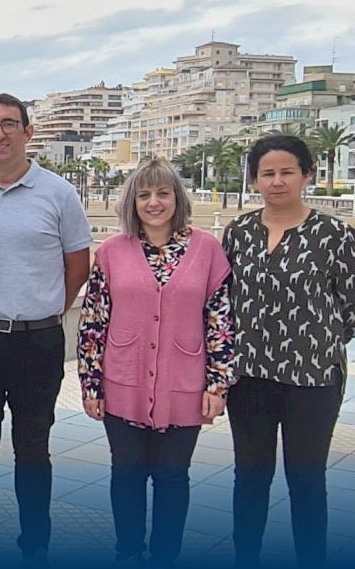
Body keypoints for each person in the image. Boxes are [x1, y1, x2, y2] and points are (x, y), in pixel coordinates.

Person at [0, 93, 92, 567]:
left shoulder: (59, 194)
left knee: (33, 447)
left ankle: (35, 545)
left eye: (9, 124)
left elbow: (77, 266)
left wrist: (42, 309)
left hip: (37, 341)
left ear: (28, 132)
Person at [76, 158, 235, 566]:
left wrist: (218, 385)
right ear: (132, 201)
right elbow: (93, 323)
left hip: (183, 385)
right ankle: (128, 552)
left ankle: (166, 556)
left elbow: (220, 322)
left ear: (177, 198)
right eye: (144, 194)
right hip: (122, 384)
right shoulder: (111, 252)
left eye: (163, 193)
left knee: (172, 477)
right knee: (126, 474)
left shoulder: (207, 250)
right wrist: (91, 385)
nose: (153, 202)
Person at [223, 135, 355, 567]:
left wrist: (317, 340)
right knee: (250, 476)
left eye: (287, 172)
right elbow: (224, 300)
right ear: (255, 180)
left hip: (312, 380)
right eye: (267, 173)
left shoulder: (335, 235)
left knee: (306, 480)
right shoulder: (239, 232)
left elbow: (350, 307)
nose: (277, 181)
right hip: (249, 377)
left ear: (306, 175)